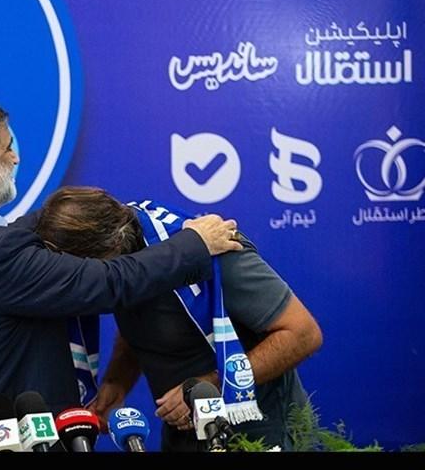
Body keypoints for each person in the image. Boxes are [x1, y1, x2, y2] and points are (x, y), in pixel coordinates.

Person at [0, 99, 242, 425]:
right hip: (5, 442)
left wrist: (75, 211)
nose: (15, 158)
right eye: (7, 148)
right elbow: (109, 281)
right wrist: (194, 244)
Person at [34, 186, 323, 451]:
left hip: (260, 434)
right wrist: (117, 382)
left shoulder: (214, 253)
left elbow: (303, 334)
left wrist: (206, 389)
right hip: (183, 436)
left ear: (108, 251)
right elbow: (142, 324)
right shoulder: (124, 271)